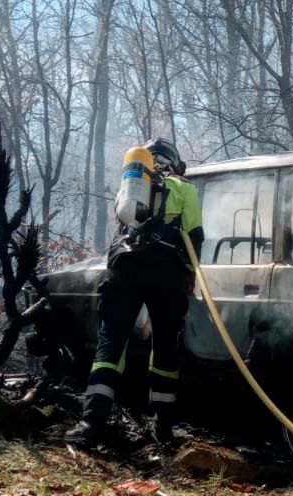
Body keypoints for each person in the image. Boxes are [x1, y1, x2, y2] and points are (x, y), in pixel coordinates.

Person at [66, 138, 204, 447]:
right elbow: (195, 237)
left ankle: (92, 422)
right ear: (174, 163)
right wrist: (189, 278)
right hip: (166, 275)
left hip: (124, 271)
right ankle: (165, 428)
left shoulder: (132, 185)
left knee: (111, 344)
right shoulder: (184, 189)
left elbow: (122, 228)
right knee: (166, 347)